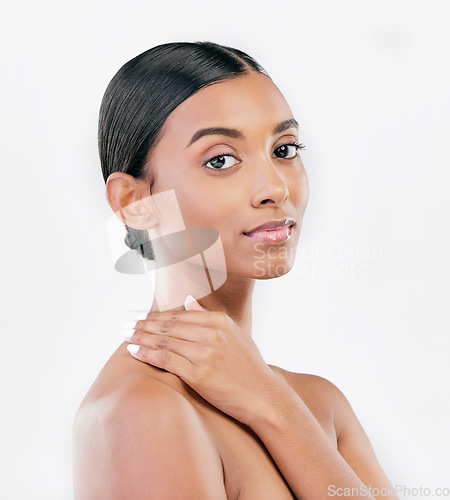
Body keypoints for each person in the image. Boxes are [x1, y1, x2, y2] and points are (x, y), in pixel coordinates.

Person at [73, 41, 398, 499]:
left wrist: (272, 403)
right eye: (221, 159)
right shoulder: (143, 409)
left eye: (285, 149)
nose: (274, 188)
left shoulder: (319, 406)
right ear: (134, 201)